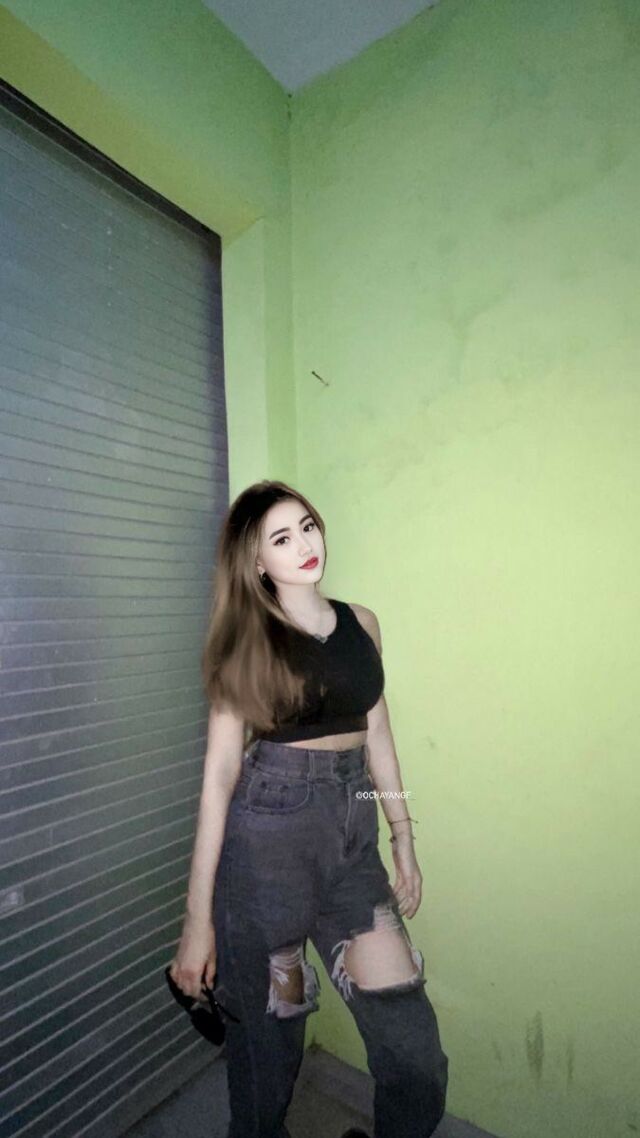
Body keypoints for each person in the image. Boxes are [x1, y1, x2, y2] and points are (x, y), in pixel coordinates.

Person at [169, 479, 448, 1138]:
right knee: (269, 1050)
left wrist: (402, 833)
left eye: (308, 526)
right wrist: (197, 922)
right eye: (282, 537)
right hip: (268, 844)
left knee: (413, 1048)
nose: (304, 544)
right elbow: (219, 776)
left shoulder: (362, 623)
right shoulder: (246, 639)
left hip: (353, 839)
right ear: (257, 561)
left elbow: (378, 736)